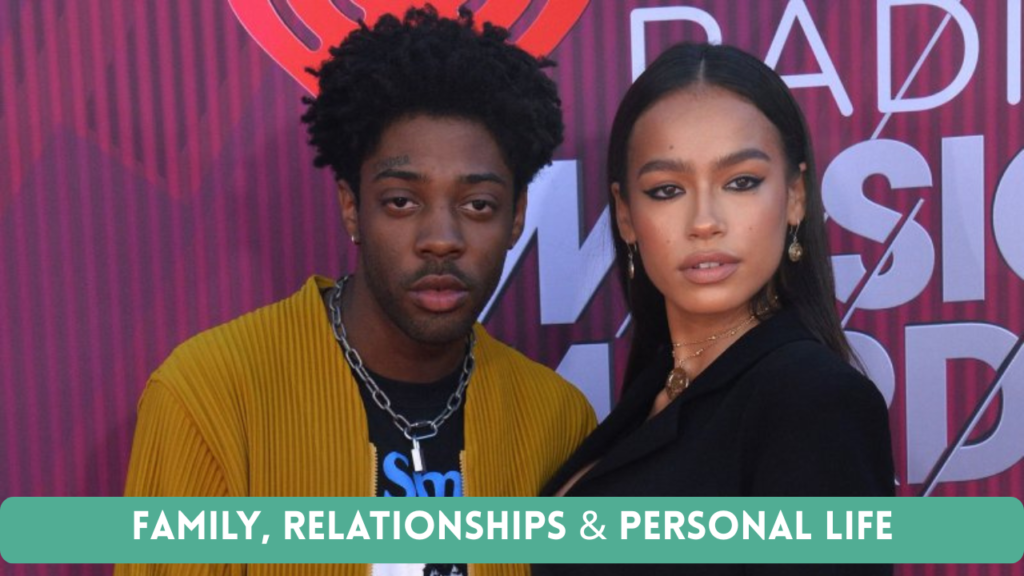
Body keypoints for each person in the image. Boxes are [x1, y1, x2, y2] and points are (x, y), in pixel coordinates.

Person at [117, 7, 595, 576]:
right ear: (352, 207)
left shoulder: (556, 420)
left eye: (477, 205)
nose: (441, 240)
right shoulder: (210, 397)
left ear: (516, 217)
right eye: (402, 201)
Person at [535, 43, 894, 575]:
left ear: (795, 196)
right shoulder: (659, 387)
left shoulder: (816, 402)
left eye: (741, 182)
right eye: (667, 190)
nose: (705, 221)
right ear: (626, 215)